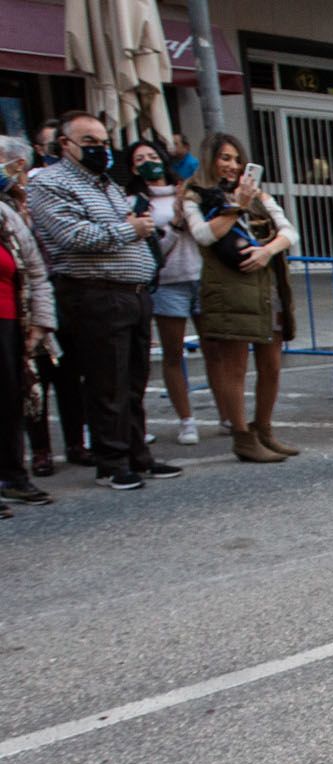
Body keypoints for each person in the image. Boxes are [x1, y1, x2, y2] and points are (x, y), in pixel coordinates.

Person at [28, 110, 180, 491]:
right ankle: (111, 461)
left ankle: (136, 455)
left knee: (133, 379)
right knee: (106, 381)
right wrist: (129, 229)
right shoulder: (49, 183)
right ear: (65, 145)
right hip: (94, 293)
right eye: (90, 143)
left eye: (103, 142)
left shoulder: (107, 184)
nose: (100, 149)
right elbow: (72, 236)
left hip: (134, 293)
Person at [182, 133, 301, 463]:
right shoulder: (195, 196)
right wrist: (237, 206)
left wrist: (267, 251)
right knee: (234, 366)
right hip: (229, 289)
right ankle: (242, 437)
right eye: (224, 158)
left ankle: (263, 428)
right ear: (210, 160)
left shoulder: (258, 193)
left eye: (236, 158)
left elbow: (289, 232)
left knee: (272, 365)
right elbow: (204, 234)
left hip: (267, 287)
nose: (232, 165)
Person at [126, 139, 203, 447]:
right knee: (174, 355)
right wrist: (174, 222)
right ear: (133, 167)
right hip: (168, 283)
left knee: (217, 350)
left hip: (202, 277)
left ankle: (228, 415)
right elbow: (152, 249)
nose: (149, 161)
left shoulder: (188, 191)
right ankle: (187, 420)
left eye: (152, 155)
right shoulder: (134, 202)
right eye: (140, 158)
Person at [0, 166, 56, 513]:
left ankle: (12, 477)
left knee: (8, 400)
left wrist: (41, 322)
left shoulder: (6, 215)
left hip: (8, 320)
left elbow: (36, 270)